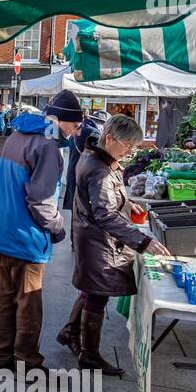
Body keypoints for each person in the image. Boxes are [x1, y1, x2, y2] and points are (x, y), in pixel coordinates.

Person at [55, 114, 171, 374]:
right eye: (127, 146)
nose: (130, 152)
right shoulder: (99, 168)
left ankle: (70, 332)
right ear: (109, 138)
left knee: (90, 289)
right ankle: (89, 354)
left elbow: (104, 201)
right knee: (97, 295)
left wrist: (127, 204)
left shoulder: (97, 156)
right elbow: (104, 213)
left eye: (134, 148)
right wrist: (142, 241)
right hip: (98, 242)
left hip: (92, 237)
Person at [0, 90, 82, 374]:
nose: (77, 131)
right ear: (63, 121)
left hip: (1, 231)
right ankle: (27, 363)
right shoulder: (48, 146)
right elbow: (41, 200)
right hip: (27, 237)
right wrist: (58, 228)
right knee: (29, 305)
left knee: (5, 300)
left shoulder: (15, 136)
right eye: (76, 125)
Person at [61, 112, 103, 213]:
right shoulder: (93, 132)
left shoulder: (81, 130)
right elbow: (99, 154)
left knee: (76, 214)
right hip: (84, 176)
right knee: (82, 214)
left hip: (74, 172)